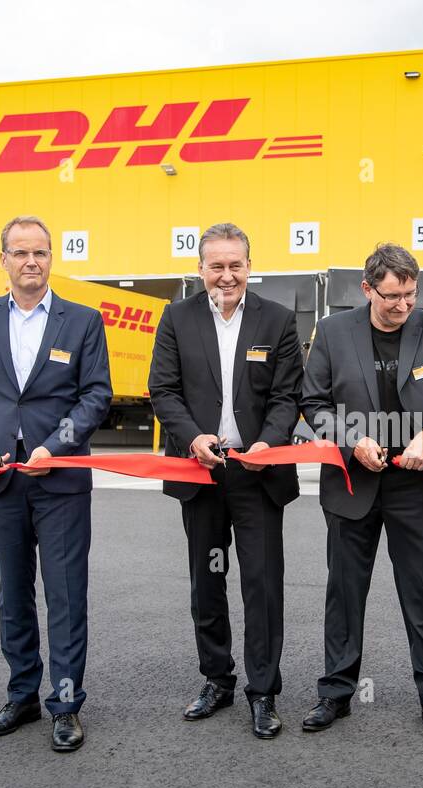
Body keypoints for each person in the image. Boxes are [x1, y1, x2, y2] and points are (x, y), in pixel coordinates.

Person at [0, 215, 113, 753]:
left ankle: (64, 706)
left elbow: (95, 396)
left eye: (40, 252)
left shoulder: (83, 321)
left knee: (65, 596)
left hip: (59, 479)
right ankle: (21, 695)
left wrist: (56, 446)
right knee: (12, 594)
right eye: (20, 253)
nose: (31, 262)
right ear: (3, 260)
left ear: (51, 258)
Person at [300, 243, 423, 737]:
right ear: (367, 289)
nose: (402, 306)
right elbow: (313, 401)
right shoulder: (332, 332)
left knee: (422, 589)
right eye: (391, 296)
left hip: (416, 484)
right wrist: (352, 440)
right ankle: (335, 693)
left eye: (411, 295)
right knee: (345, 592)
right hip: (353, 483)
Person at [148, 223, 302, 739]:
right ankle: (217, 679)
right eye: (216, 265)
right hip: (201, 472)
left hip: (257, 474)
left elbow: (287, 396)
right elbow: (163, 390)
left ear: (249, 266)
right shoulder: (176, 318)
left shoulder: (278, 321)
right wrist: (192, 437)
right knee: (206, 582)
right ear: (200, 269)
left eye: (235, 265)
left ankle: (264, 691)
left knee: (261, 586)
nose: (227, 275)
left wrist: (270, 443)